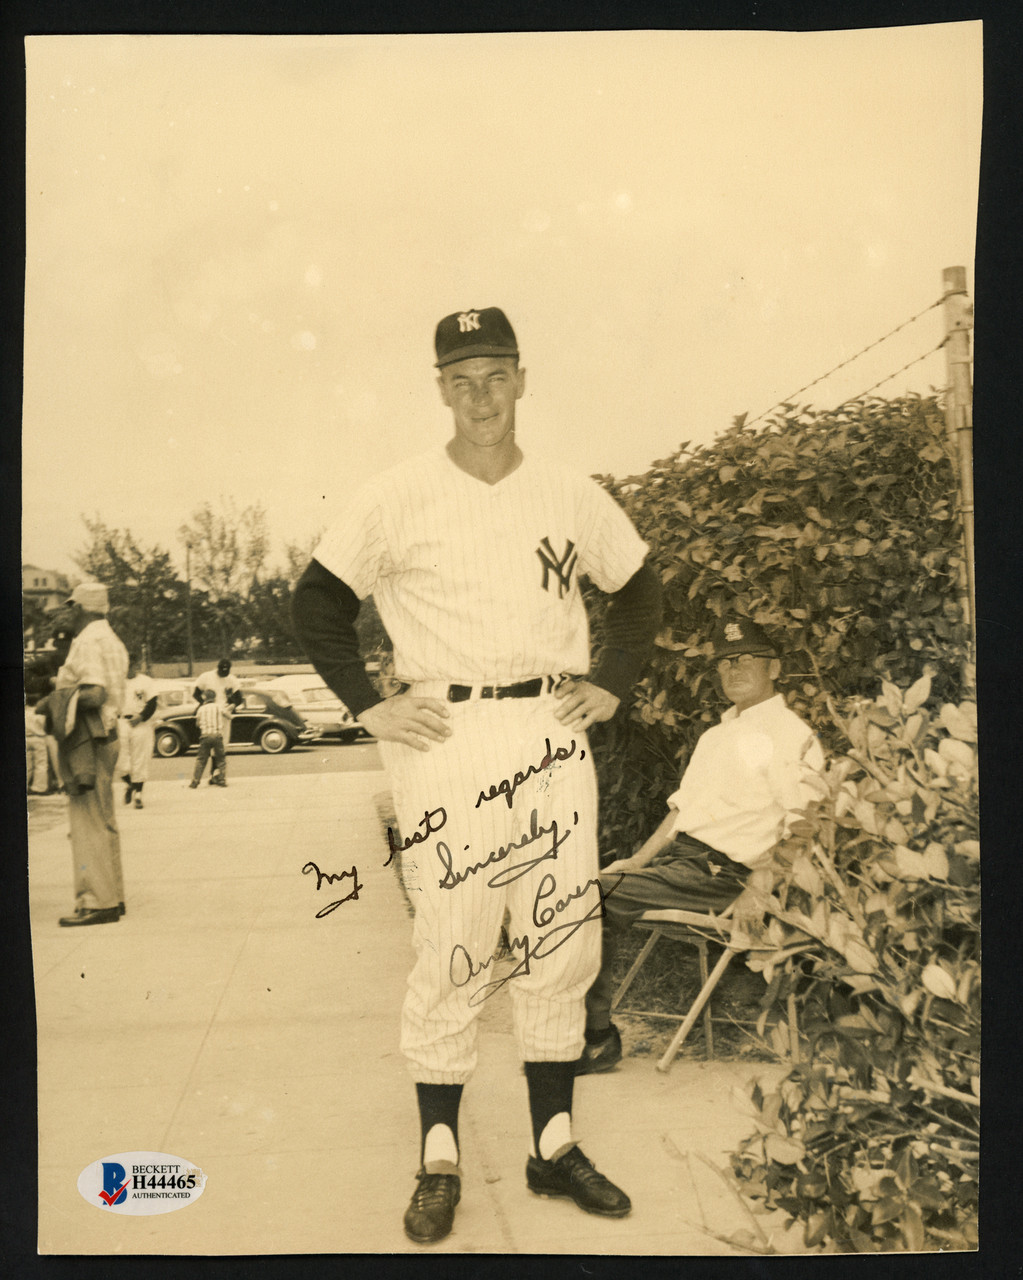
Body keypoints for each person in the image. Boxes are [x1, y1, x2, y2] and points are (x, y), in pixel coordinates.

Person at [293, 306, 662, 1245]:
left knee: (559, 938)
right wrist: (366, 703)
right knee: (455, 937)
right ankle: (440, 1157)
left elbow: (641, 584)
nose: (480, 396)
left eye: (494, 374)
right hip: (446, 734)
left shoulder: (570, 493)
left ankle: (553, 1143)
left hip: (548, 723)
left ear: (522, 377)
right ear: (439, 388)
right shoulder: (395, 495)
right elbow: (319, 601)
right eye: (460, 379)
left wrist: (612, 682)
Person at [577, 616, 825, 1074]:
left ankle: (594, 1038)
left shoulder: (792, 735)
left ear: (775, 668)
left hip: (727, 877)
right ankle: (589, 1032)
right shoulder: (716, 736)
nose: (735, 669)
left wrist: (760, 885)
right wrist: (637, 860)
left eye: (746, 659)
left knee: (589, 899)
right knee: (590, 892)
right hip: (684, 865)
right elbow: (680, 812)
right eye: (726, 662)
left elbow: (807, 822)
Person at [44, 582, 129, 927]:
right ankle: (114, 895)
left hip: (87, 740)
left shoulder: (88, 641)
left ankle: (97, 901)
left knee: (86, 823)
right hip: (108, 735)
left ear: (82, 608)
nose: (70, 613)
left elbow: (94, 694)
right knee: (104, 820)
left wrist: (54, 699)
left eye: (72, 607)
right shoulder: (112, 640)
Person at [119, 653, 158, 808]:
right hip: (121, 721)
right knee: (120, 762)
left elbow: (152, 703)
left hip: (140, 723)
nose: (129, 667)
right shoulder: (117, 682)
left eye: (132, 664)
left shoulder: (146, 682)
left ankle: (138, 795)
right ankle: (130, 784)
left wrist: (141, 717)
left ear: (136, 664)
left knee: (139, 759)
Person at [193, 657, 243, 746]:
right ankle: (213, 757)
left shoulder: (232, 679)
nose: (223, 674)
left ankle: (220, 758)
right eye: (222, 671)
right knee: (210, 737)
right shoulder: (206, 677)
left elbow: (239, 698)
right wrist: (203, 704)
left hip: (225, 711)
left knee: (223, 740)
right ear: (218, 668)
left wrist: (233, 705)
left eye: (226, 672)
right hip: (210, 712)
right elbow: (196, 694)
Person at [190, 689, 227, 788]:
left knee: (201, 759)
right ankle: (222, 779)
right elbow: (229, 716)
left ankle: (195, 781)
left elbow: (197, 724)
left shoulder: (201, 709)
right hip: (217, 735)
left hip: (205, 736)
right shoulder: (219, 707)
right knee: (221, 759)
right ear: (214, 698)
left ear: (204, 697)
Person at [25, 695, 51, 794]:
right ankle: (39, 787)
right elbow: (44, 726)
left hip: (26, 738)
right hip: (38, 738)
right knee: (41, 763)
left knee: (27, 764)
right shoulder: (40, 713)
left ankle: (25, 785)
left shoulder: (24, 712)